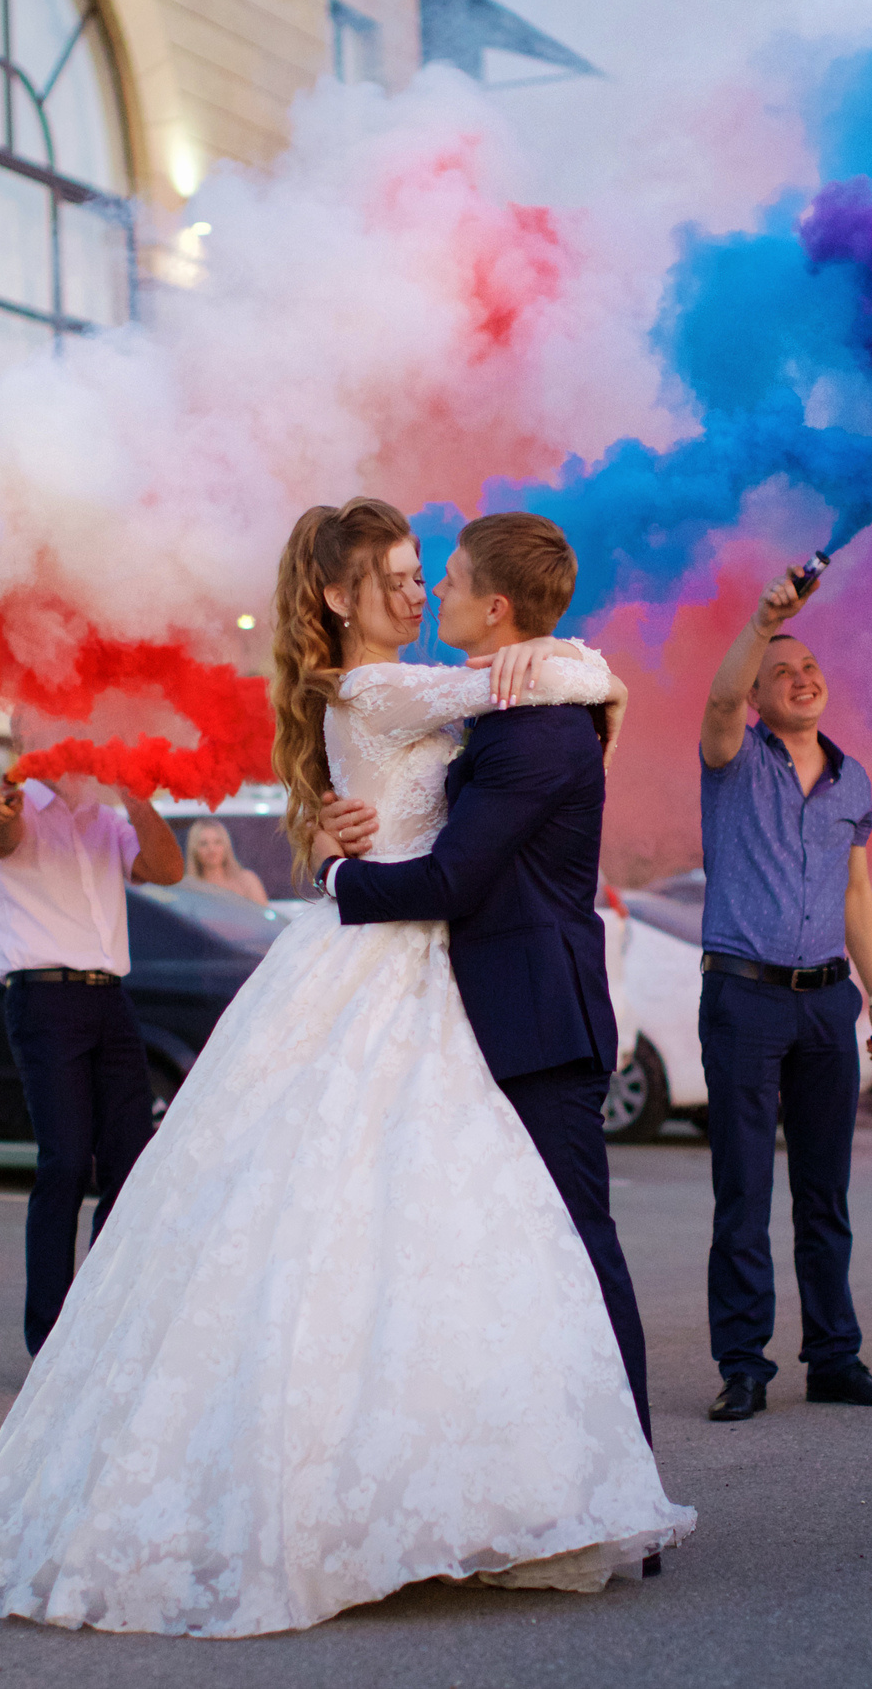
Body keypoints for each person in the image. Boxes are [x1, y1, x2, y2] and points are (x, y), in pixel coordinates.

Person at [0, 499, 688, 1636]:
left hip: (419, 967)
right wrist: (596, 678)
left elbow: (531, 700)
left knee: (416, 1235)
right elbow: (544, 685)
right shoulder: (382, 689)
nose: (416, 588)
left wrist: (587, 685)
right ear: (336, 596)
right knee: (351, 1231)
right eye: (396, 574)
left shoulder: (403, 687)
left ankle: (471, 1480)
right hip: (384, 953)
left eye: (424, 572)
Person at [316, 511, 657, 1441]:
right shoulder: (508, 706)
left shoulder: (531, 733)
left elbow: (451, 881)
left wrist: (334, 875)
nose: (436, 590)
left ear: (497, 606)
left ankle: (624, 1461)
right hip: (490, 1010)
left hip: (539, 1021)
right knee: (512, 1249)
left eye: (452, 577)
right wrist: (585, 670)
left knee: (578, 1247)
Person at [693, 565, 872, 1424]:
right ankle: (744, 1364)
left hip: (827, 1003)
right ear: (757, 695)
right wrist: (762, 623)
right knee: (744, 1190)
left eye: (809, 665)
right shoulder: (734, 757)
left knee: (826, 1193)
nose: (801, 677)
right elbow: (718, 699)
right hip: (744, 997)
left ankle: (835, 1357)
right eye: (780, 672)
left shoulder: (852, 780)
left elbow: (857, 893)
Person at [0, 709, 185, 1355]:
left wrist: (135, 796)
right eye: (47, 729)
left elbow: (168, 870)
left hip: (110, 999)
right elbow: (0, 837)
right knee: (65, 1162)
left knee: (130, 1165)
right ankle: (48, 1339)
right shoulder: (8, 807)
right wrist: (2, 811)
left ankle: (99, 1323)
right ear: (24, 740)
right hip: (44, 1000)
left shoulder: (105, 818)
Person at [182, 815, 269, 904]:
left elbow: (262, 911)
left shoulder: (247, 881)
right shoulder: (188, 889)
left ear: (226, 846)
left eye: (217, 842)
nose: (211, 849)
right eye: (203, 843)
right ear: (194, 850)